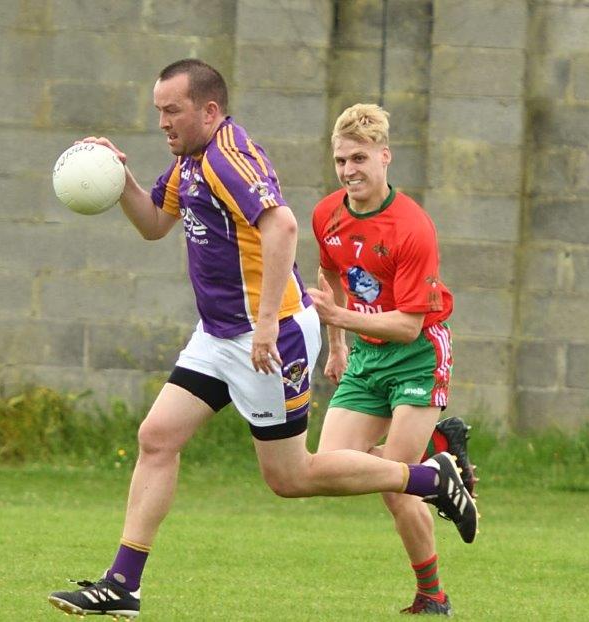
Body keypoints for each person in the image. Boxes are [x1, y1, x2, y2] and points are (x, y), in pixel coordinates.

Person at [47, 60, 477, 620]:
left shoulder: (227, 158)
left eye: (171, 110)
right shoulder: (191, 161)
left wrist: (269, 321)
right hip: (220, 333)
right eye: (157, 111)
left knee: (291, 477)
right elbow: (155, 223)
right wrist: (115, 173)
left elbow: (283, 225)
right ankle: (122, 584)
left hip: (266, 337)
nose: (162, 122)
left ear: (208, 110)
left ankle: (429, 477)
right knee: (156, 437)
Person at [307, 103, 473, 615]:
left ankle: (432, 595)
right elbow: (330, 271)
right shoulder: (326, 213)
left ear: (385, 157)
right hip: (365, 358)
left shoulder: (412, 228)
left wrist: (341, 319)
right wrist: (336, 347)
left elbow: (406, 323)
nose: (349, 170)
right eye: (340, 160)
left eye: (359, 158)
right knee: (326, 470)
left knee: (396, 481)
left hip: (417, 354)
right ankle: (440, 461)